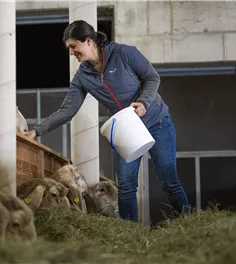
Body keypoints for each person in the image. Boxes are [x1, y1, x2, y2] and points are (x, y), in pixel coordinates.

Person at [23, 20, 189, 222]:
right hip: (126, 130)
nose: (71, 52)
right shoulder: (83, 76)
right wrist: (37, 131)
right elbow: (68, 110)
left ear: (88, 41)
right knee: (127, 185)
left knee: (168, 180)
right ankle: (130, 236)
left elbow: (152, 77)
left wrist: (143, 102)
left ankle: (186, 221)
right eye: (69, 48)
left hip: (156, 121)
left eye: (73, 46)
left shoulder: (123, 53)